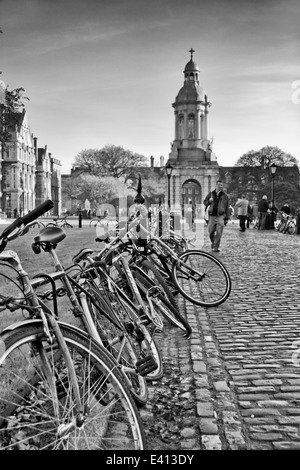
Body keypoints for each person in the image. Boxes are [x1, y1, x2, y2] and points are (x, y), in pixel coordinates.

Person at [203, 179, 230, 252]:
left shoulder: (225, 196)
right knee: (210, 232)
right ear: (216, 185)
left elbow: (227, 207)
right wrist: (209, 201)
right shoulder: (211, 194)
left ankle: (216, 246)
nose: (220, 186)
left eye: (221, 185)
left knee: (219, 232)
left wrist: (227, 218)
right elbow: (205, 202)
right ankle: (213, 242)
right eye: (219, 185)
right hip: (212, 216)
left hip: (220, 216)